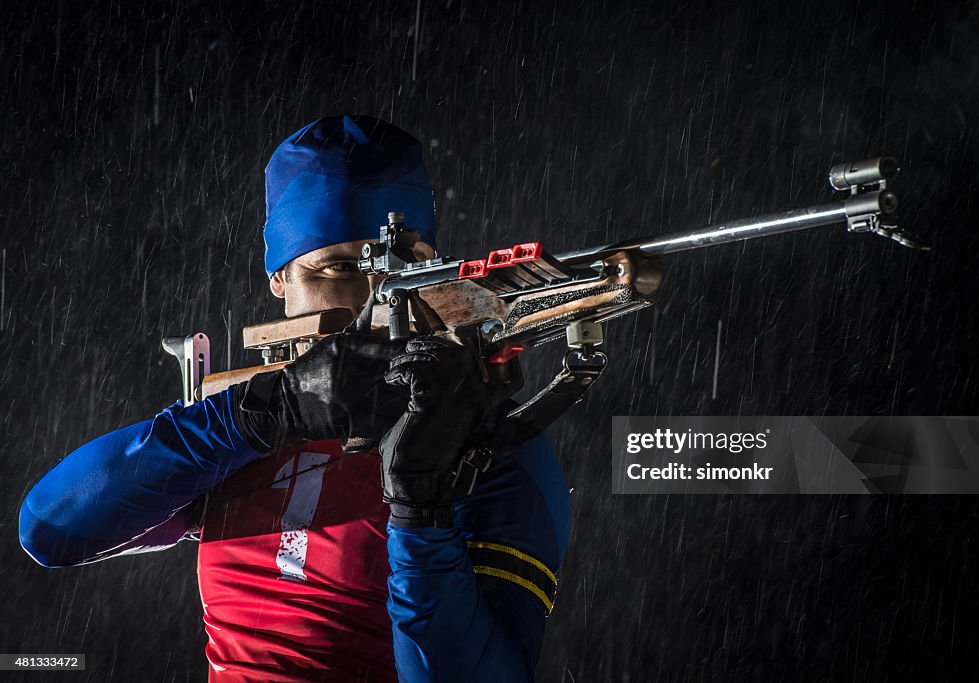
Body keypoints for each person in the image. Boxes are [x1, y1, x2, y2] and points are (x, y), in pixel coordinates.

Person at [19, 115, 572, 683]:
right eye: (335, 268)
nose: (374, 300)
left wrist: (420, 511)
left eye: (402, 272)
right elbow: (49, 529)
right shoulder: (239, 422)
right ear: (279, 279)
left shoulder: (486, 442)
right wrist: (263, 414)